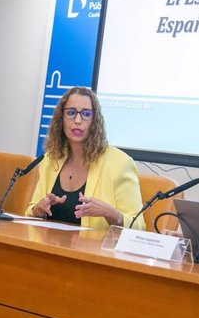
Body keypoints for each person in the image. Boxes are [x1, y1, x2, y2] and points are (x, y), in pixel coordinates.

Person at [26, 87, 145, 230]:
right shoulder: (51, 159)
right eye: (71, 113)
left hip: (93, 250)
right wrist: (39, 209)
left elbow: (138, 227)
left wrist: (111, 214)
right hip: (50, 247)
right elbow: (30, 213)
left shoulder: (120, 163)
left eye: (86, 114)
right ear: (61, 119)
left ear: (95, 120)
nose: (77, 120)